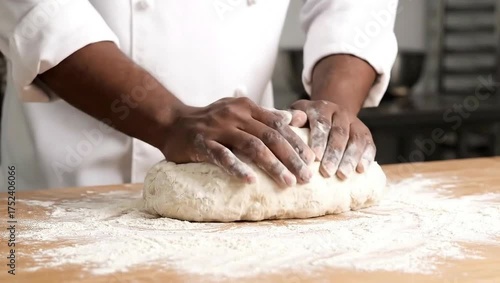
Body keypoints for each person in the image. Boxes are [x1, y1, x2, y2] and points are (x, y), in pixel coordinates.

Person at [0, 0, 398, 190]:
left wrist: (333, 112)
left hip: (246, 171)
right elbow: (40, 11)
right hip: (64, 174)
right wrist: (170, 120)